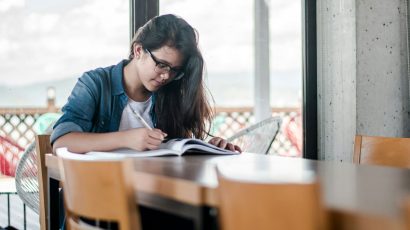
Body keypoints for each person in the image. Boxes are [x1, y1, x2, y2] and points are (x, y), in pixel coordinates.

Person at [51, 14, 241, 154]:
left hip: (153, 190)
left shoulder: (170, 92)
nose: (166, 76)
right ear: (139, 50)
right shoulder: (96, 83)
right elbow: (62, 142)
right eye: (161, 65)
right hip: (100, 192)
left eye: (175, 70)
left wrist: (210, 148)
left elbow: (178, 150)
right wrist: (126, 138)